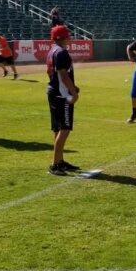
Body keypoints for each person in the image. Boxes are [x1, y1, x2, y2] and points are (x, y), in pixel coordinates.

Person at [46, 25, 81, 175]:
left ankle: (59, 161)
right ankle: (55, 165)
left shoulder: (52, 50)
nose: (69, 38)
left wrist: (72, 86)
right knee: (65, 129)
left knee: (58, 129)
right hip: (62, 96)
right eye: (67, 35)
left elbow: (51, 73)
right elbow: (63, 75)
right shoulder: (61, 52)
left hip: (54, 92)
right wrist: (73, 92)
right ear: (62, 37)